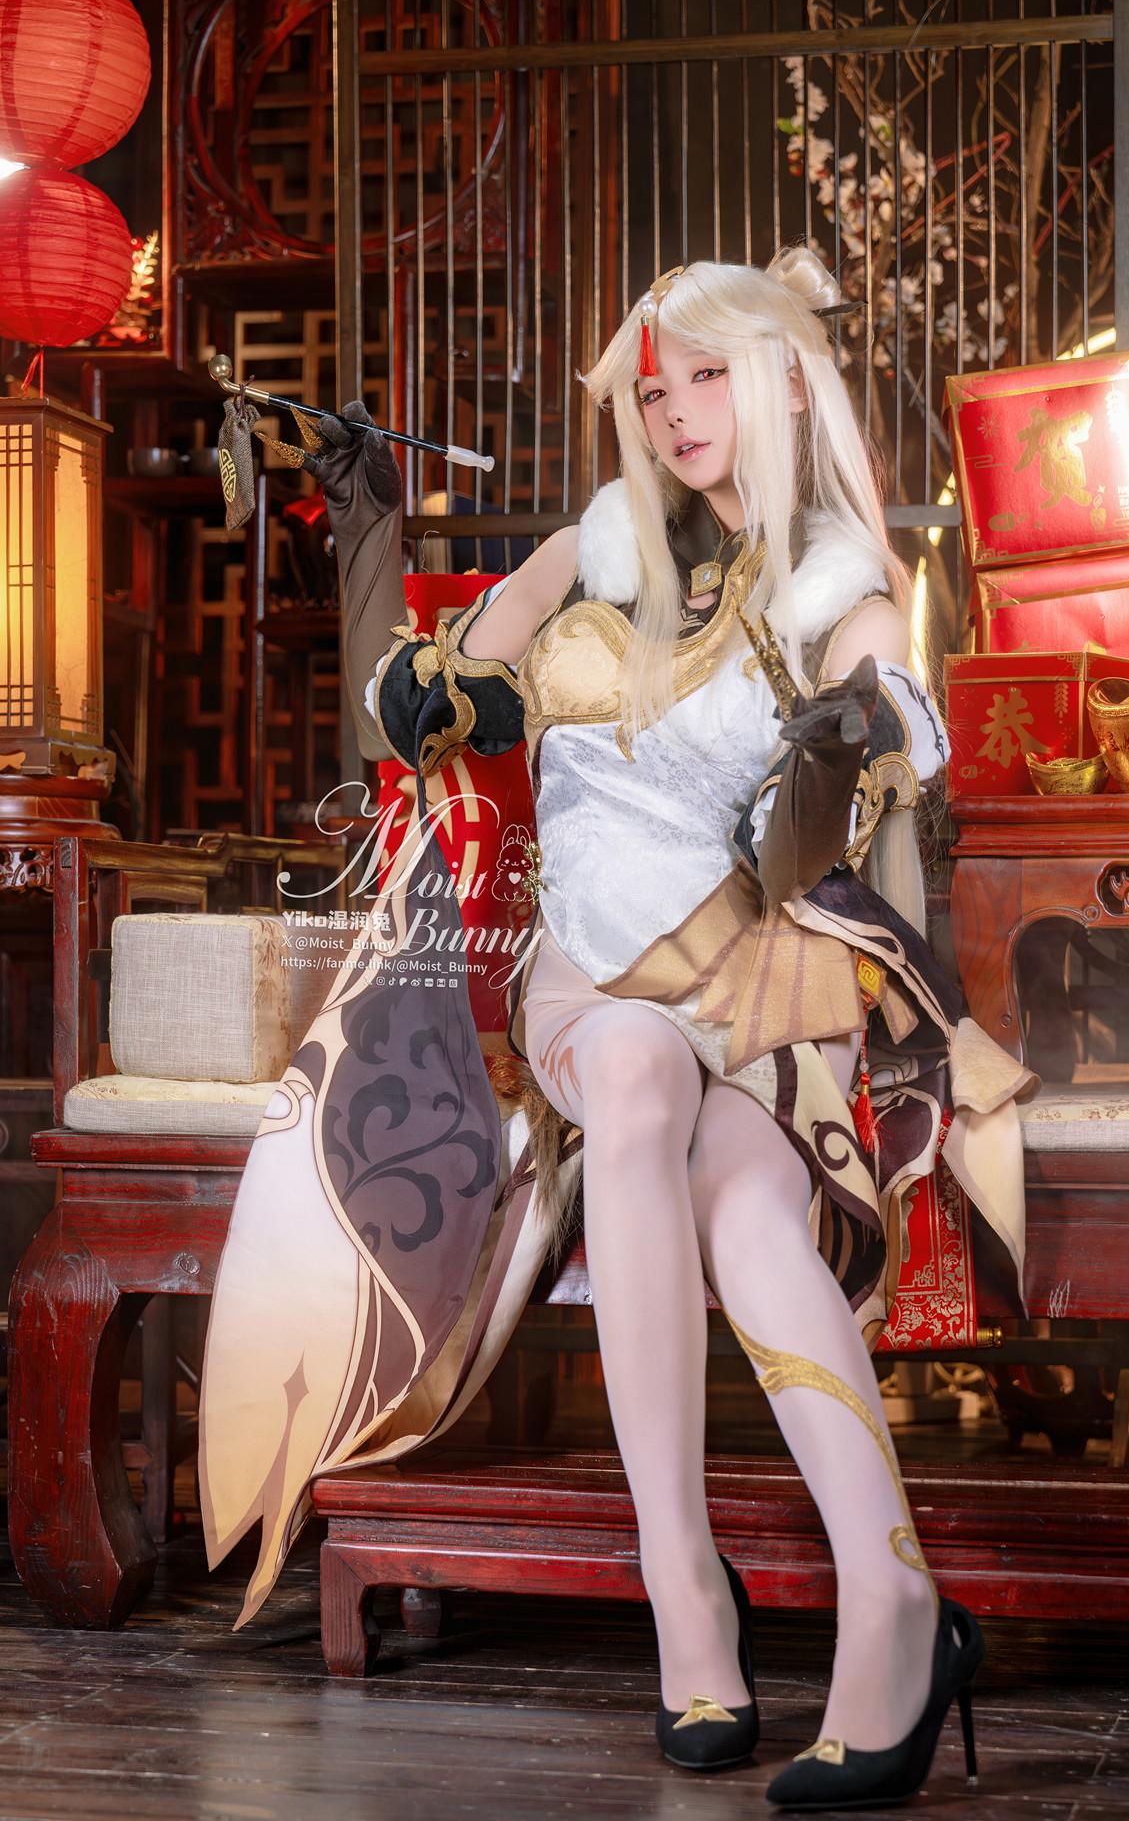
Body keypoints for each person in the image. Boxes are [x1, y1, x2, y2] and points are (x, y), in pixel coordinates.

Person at [199, 249, 1032, 1811]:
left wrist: (865, 732)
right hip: (591, 969)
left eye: (710, 374)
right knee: (639, 1092)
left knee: (752, 1217)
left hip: (760, 982)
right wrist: (387, 573)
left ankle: (898, 1603)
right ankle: (681, 1584)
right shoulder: (594, 549)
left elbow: (889, 729)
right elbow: (422, 696)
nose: (678, 410)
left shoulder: (839, 583)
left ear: (785, 383)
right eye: (655, 388)